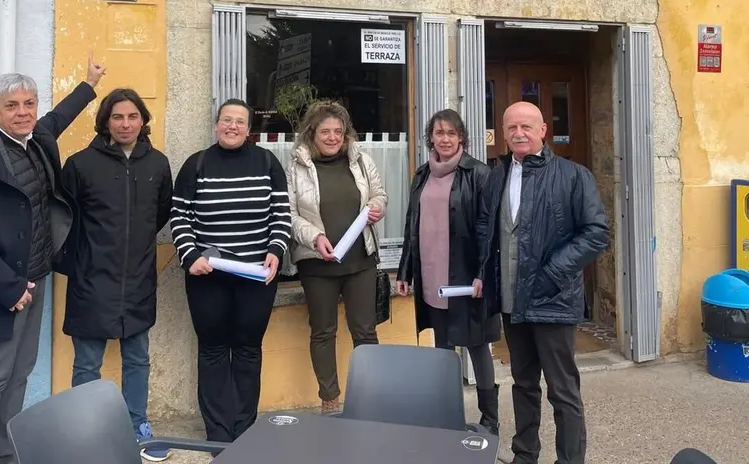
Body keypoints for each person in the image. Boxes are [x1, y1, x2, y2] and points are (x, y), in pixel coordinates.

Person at [0, 56, 106, 464]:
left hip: (36, 278)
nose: (23, 113)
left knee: (19, 374)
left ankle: (4, 452)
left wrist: (88, 85)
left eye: (29, 104)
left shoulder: (36, 139)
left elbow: (58, 117)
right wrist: (8, 287)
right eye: (12, 106)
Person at [488, 101, 609, 464]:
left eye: (527, 126)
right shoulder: (497, 176)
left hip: (553, 300)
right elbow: (489, 233)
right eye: (512, 128)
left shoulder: (573, 175)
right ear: (504, 133)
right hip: (512, 301)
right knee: (523, 385)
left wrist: (553, 272)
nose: (519, 133)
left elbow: (596, 233)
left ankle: (570, 460)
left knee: (562, 390)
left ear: (543, 130)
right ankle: (525, 455)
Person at [170, 98, 292, 444]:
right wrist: (190, 254)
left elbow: (281, 214)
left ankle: (244, 431)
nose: (232, 126)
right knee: (211, 350)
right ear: (216, 124)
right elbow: (179, 216)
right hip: (207, 277)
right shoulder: (197, 165)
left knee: (248, 349)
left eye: (239, 121)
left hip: (256, 277)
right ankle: (218, 434)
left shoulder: (268, 162)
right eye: (226, 120)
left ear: (248, 129)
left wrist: (275, 250)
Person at [61, 88, 173, 462]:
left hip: (139, 278)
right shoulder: (79, 165)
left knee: (138, 358)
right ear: (105, 121)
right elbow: (63, 221)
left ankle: (137, 425)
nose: (125, 124)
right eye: (117, 117)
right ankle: (84, 431)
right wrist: (81, 264)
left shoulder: (157, 164)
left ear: (143, 121)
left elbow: (160, 215)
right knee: (87, 363)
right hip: (92, 280)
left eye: (132, 117)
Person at [395, 109, 501, 436]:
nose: (444, 139)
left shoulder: (480, 174)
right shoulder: (422, 174)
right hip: (433, 276)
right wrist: (405, 271)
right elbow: (412, 225)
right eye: (439, 133)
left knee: (477, 346)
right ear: (431, 137)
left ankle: (489, 419)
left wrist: (484, 274)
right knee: (443, 349)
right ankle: (450, 416)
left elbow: (489, 230)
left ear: (462, 138)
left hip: (468, 279)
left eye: (451, 133)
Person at [286, 101, 388, 414]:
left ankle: (372, 400)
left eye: (338, 132)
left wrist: (378, 208)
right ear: (311, 134)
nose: (332, 138)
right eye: (325, 132)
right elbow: (288, 214)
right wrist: (315, 238)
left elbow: (379, 195)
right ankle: (330, 401)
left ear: (346, 135)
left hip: (360, 261)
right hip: (317, 264)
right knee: (323, 332)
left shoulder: (361, 161)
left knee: (365, 330)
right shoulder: (297, 167)